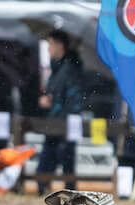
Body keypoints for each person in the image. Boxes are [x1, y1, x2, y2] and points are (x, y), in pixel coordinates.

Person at [36, 30, 86, 195]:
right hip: (55, 122)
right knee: (50, 161)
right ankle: (44, 192)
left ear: (60, 45)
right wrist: (49, 101)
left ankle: (67, 197)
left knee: (64, 161)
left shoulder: (69, 68)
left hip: (63, 124)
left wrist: (62, 117)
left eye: (50, 44)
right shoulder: (57, 68)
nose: (48, 48)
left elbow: (74, 100)